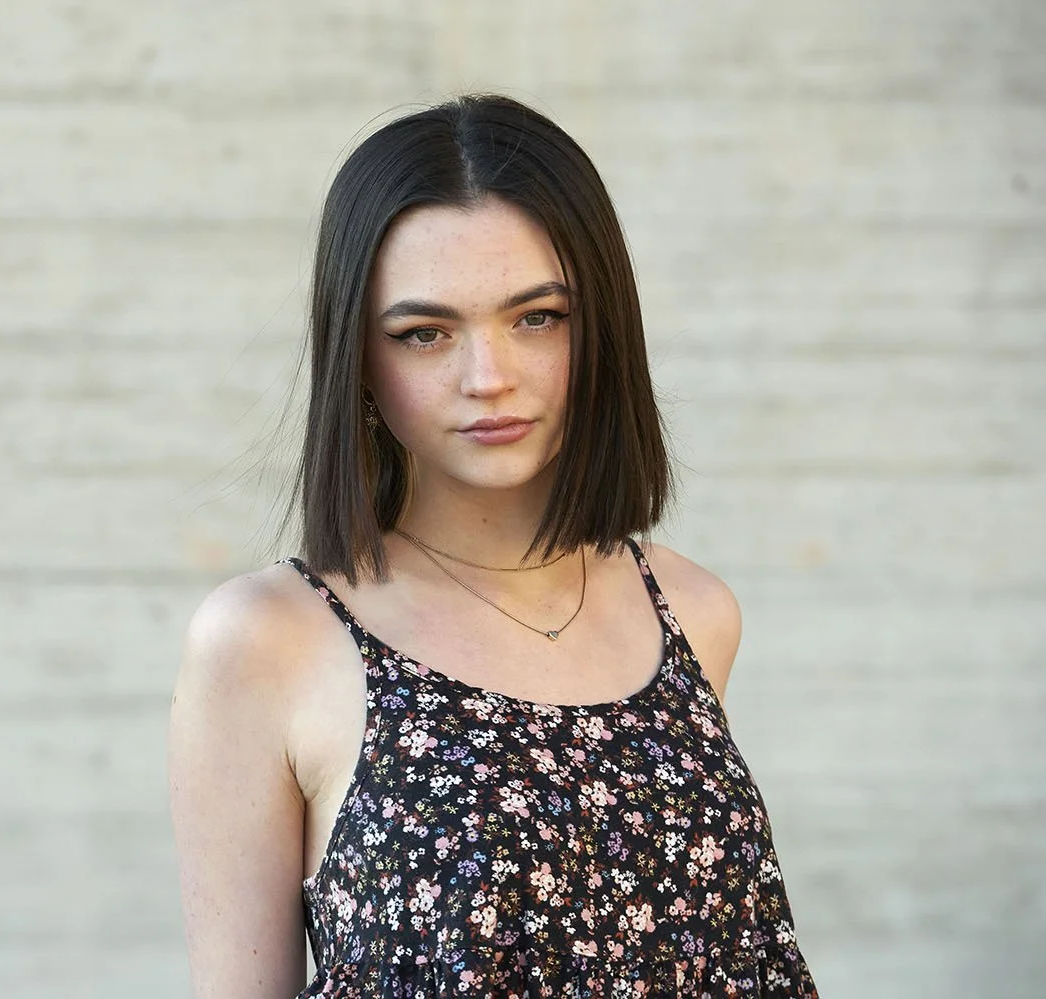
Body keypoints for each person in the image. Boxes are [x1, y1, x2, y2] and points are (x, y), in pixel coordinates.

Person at [168, 93, 820, 998]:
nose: (488, 377)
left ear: (603, 333)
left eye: (538, 316)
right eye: (424, 333)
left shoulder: (694, 613)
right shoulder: (269, 639)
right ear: (359, 359)